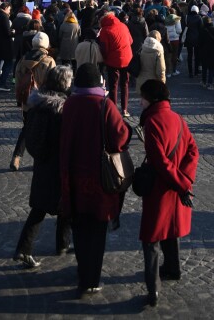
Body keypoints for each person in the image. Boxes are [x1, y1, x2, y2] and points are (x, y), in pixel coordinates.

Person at [60, 62, 131, 298]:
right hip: (99, 177)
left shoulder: (70, 104)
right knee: (97, 230)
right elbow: (120, 137)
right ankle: (92, 278)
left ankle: (83, 271)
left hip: (74, 175)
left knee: (80, 227)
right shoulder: (104, 105)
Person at [138, 79, 199, 307]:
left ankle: (153, 288)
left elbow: (160, 162)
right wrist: (185, 178)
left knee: (151, 238)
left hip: (161, 188)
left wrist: (179, 182)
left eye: (142, 97)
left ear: (151, 99)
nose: (140, 101)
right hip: (177, 185)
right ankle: (173, 268)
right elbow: (193, 150)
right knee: (171, 230)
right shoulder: (178, 119)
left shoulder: (152, 122)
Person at [13, 66, 73, 268]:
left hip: (42, 163)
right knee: (63, 202)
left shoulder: (38, 103)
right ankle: (35, 247)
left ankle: (56, 243)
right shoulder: (61, 110)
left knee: (41, 207)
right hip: (57, 163)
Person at [10, 31, 55, 171]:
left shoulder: (22, 60)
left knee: (26, 129)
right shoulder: (49, 61)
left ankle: (16, 157)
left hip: (27, 101)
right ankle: (39, 160)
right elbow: (53, 83)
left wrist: (20, 98)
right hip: (43, 101)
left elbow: (17, 82)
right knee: (45, 132)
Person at [98, 11, 133, 118]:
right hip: (127, 58)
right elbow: (131, 41)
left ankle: (113, 110)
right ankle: (125, 109)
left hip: (113, 60)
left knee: (113, 85)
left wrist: (104, 59)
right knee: (125, 84)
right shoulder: (123, 25)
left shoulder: (104, 30)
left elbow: (105, 48)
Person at [184, 5, 202, 79]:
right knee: (197, 55)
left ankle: (190, 72)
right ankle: (196, 71)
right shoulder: (199, 17)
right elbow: (201, 28)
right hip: (197, 38)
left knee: (190, 55)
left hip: (188, 38)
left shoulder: (187, 17)